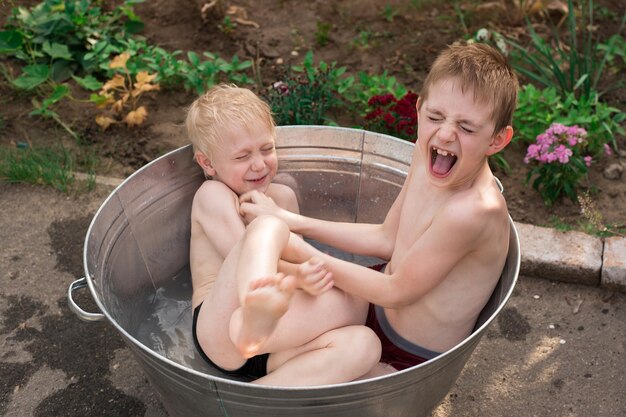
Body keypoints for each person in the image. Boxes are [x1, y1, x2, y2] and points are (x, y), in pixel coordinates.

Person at [240, 43, 518, 376]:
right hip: (373, 299)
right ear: (419, 109)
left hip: (409, 356)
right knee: (261, 331)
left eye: (467, 128)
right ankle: (246, 364)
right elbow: (386, 238)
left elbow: (397, 291)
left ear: (497, 140)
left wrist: (298, 248)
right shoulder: (425, 153)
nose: (445, 134)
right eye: (434, 117)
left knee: (341, 392)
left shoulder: (473, 211)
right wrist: (291, 221)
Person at [186, 84, 380, 386]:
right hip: (222, 330)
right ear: (208, 163)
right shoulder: (212, 195)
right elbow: (245, 254)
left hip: (271, 344)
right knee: (268, 226)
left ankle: (251, 402)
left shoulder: (281, 197)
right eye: (242, 157)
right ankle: (254, 312)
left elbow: (297, 260)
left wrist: (311, 280)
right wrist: (301, 277)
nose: (260, 164)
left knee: (365, 342)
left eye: (267, 149)